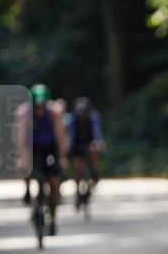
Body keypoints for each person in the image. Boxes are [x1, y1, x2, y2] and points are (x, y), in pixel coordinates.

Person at [14, 84, 68, 234]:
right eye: (36, 106)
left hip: (49, 148)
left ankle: (53, 217)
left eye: (41, 106)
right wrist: (22, 156)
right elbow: (19, 137)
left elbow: (60, 136)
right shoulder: (23, 113)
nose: (39, 109)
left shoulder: (54, 112)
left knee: (54, 182)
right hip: (31, 148)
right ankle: (27, 190)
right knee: (24, 167)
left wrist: (62, 157)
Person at [66, 97, 104, 207]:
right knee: (77, 168)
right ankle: (77, 192)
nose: (81, 115)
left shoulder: (93, 116)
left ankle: (95, 174)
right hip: (77, 144)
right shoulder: (73, 118)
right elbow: (71, 135)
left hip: (90, 142)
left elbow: (97, 133)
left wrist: (97, 143)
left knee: (95, 153)